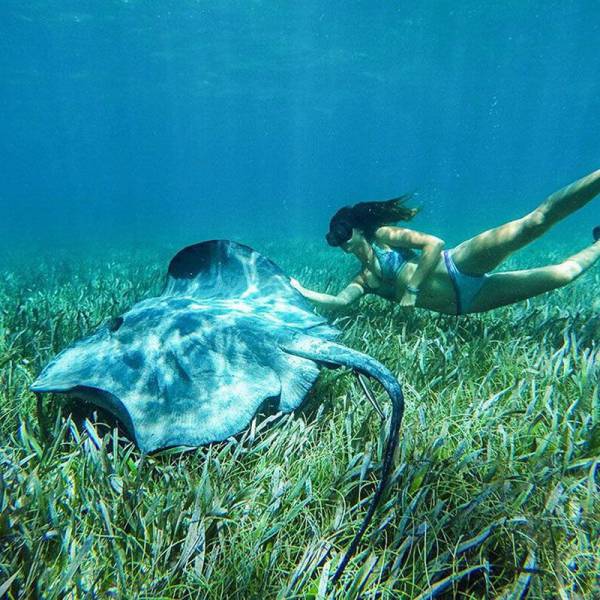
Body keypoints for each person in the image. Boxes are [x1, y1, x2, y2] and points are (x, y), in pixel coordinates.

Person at [290, 169, 600, 315]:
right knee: (564, 275)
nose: (342, 242)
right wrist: (302, 291)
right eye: (335, 239)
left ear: (358, 229)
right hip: (466, 303)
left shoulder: (383, 237)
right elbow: (340, 302)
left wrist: (412, 290)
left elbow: (434, 244)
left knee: (534, 224)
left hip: (457, 264)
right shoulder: (365, 279)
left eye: (343, 232)